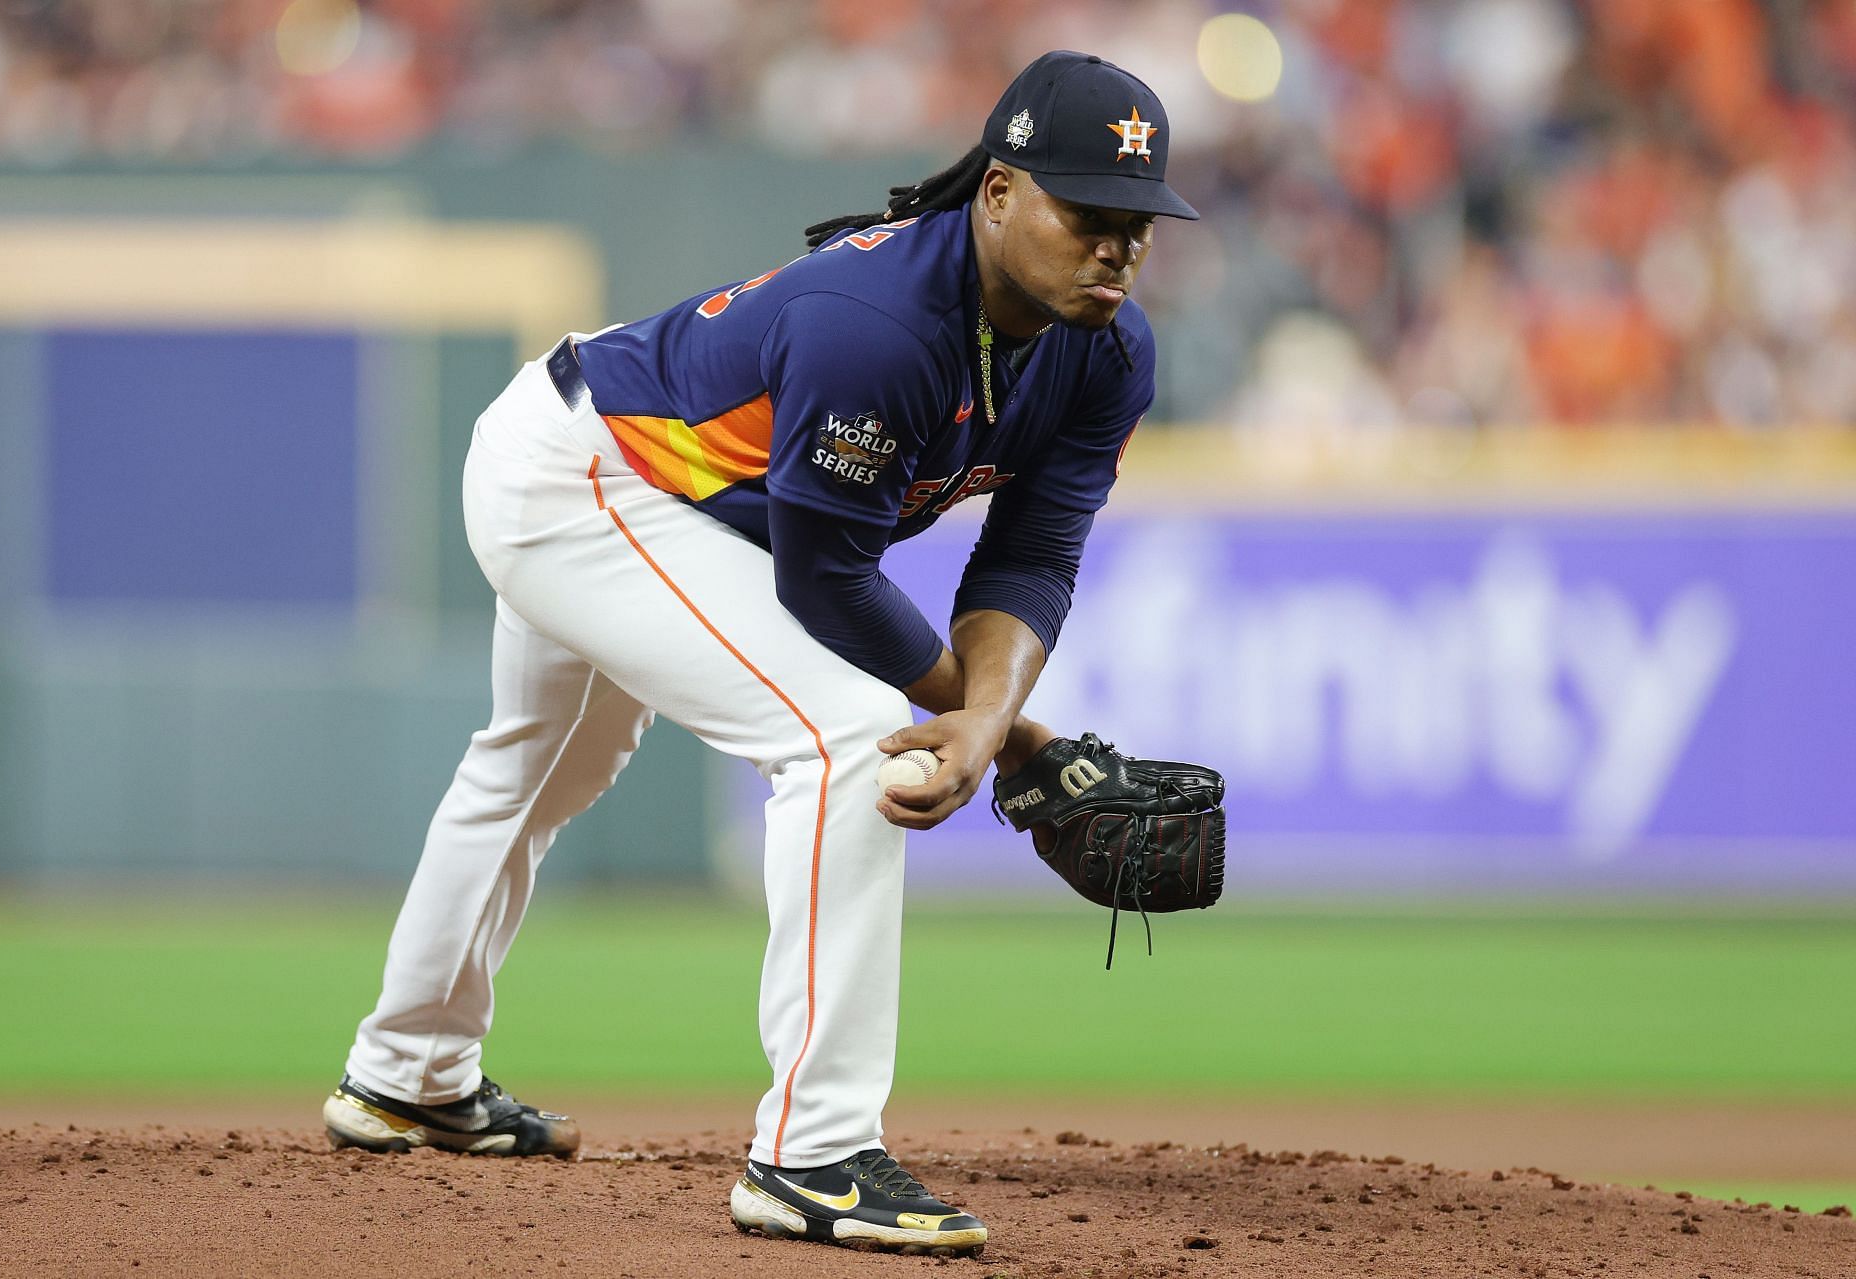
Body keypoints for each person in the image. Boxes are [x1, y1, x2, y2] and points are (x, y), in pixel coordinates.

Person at [321, 49, 1199, 1257]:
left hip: (647, 487)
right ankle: (813, 1152)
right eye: (1086, 213)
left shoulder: (1106, 350)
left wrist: (995, 719)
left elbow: (1034, 548)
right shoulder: (880, 325)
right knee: (846, 740)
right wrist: (995, 733)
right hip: (581, 476)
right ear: (997, 192)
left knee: (536, 769)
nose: (1116, 247)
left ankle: (407, 1069)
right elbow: (826, 578)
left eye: (1137, 224)